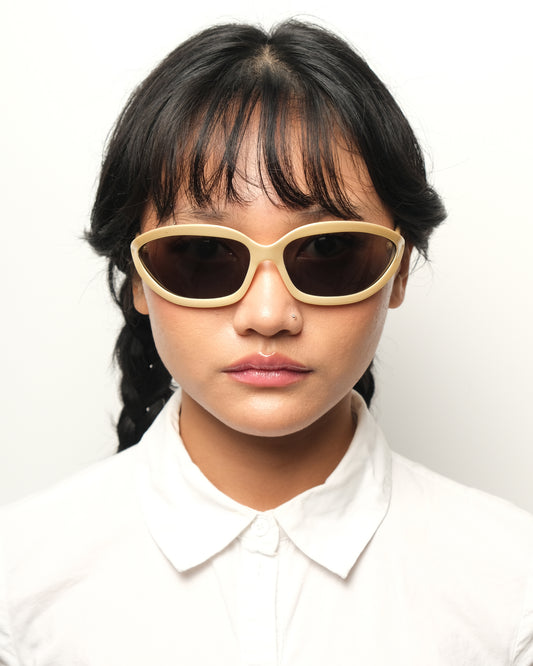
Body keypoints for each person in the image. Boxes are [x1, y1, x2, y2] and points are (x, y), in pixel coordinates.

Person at [0, 20, 532, 666]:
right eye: (203, 253)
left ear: (399, 270)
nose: (268, 314)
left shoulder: (509, 592)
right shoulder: (21, 589)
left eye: (328, 249)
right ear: (136, 276)